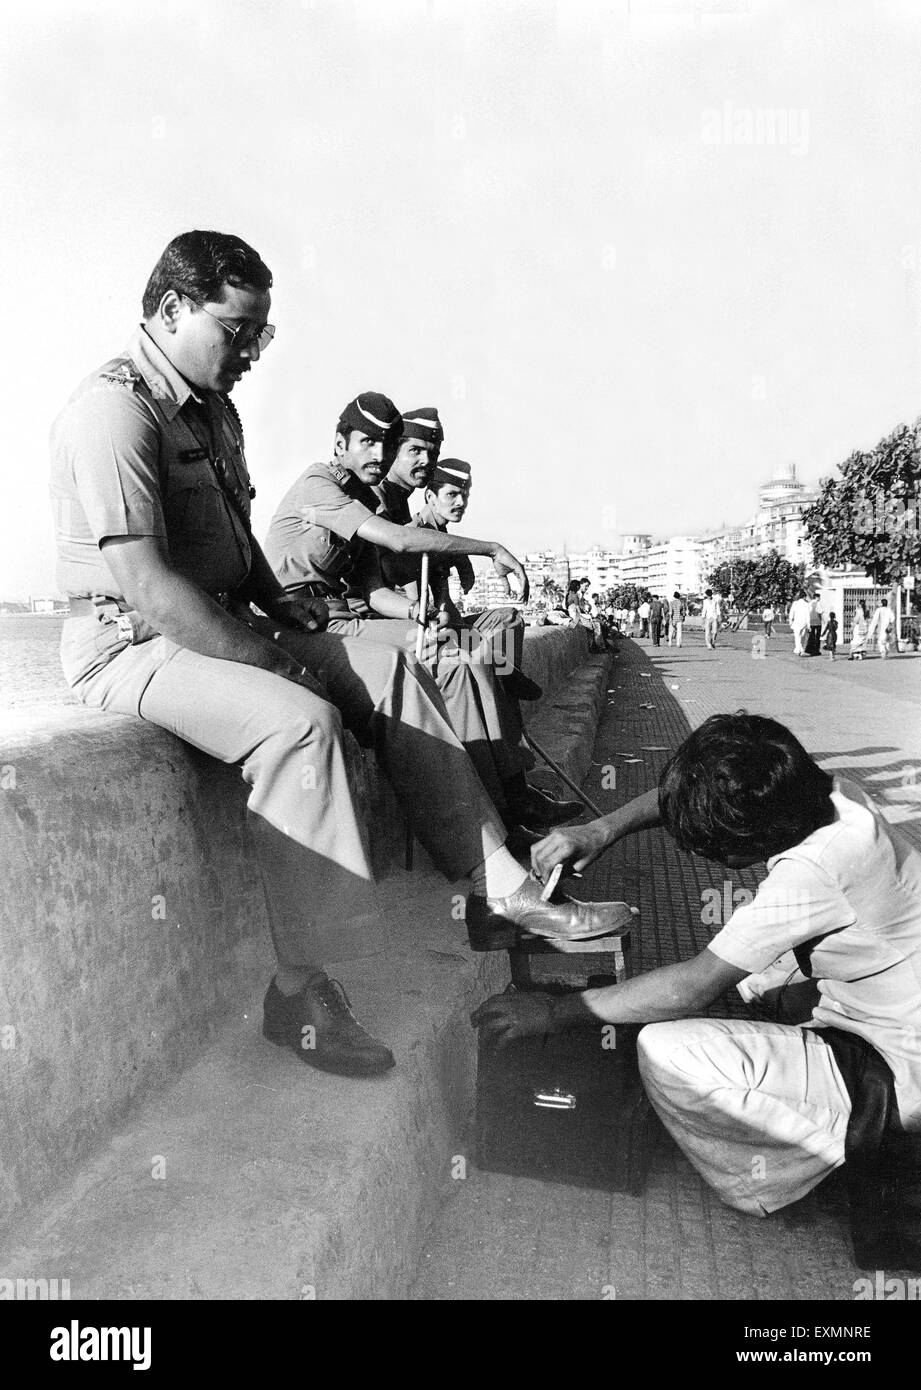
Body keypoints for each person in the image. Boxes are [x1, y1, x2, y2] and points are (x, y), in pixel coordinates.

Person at [51, 229, 616, 1081]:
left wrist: (287, 619)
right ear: (170, 310)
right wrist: (282, 665)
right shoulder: (115, 410)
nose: (247, 352)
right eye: (234, 329)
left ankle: (498, 889)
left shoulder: (212, 408)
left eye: (258, 335)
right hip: (129, 641)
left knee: (389, 670)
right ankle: (295, 992)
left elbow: (239, 558)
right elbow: (149, 588)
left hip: (213, 617)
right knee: (302, 725)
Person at [474, 712, 921, 1222]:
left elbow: (693, 987)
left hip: (896, 1067)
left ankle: (822, 1167)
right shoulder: (822, 794)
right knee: (756, 972)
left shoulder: (814, 871)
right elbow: (700, 787)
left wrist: (557, 1012)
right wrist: (602, 830)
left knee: (670, 1051)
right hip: (891, 1002)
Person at [264, 393, 580, 833]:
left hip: (341, 620)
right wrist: (489, 548)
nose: (379, 454)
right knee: (457, 661)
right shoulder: (320, 483)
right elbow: (400, 543)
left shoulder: (360, 500)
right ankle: (496, 819)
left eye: (386, 445)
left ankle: (505, 801)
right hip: (304, 624)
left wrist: (417, 611)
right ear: (340, 444)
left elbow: (374, 590)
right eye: (368, 443)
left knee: (460, 654)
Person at [385, 455, 541, 703]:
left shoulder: (442, 536)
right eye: (452, 495)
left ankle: (503, 680)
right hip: (416, 630)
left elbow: (445, 600)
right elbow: (423, 609)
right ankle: (502, 679)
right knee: (481, 654)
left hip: (443, 624)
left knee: (509, 619)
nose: (461, 502)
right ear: (430, 497)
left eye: (465, 495)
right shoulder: (415, 534)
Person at [788, 590, 812, 658]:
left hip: (796, 622)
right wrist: (809, 625)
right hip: (804, 623)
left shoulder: (795, 603)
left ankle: (798, 649)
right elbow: (808, 615)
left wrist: (790, 621)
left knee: (797, 637)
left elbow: (791, 613)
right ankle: (800, 650)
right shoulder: (806, 604)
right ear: (804, 597)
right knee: (802, 637)